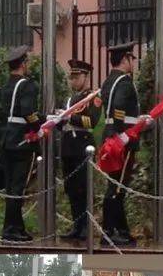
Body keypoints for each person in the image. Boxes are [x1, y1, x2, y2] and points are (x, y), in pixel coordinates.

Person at [99, 41, 142, 247]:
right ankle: (110, 231)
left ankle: (119, 230)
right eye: (131, 58)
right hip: (122, 141)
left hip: (110, 136)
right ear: (125, 59)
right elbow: (117, 109)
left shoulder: (109, 81)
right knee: (117, 188)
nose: (133, 62)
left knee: (115, 185)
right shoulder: (124, 81)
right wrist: (123, 134)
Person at [0, 45, 41, 243]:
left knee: (11, 186)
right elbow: (28, 112)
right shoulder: (27, 85)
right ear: (23, 64)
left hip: (8, 138)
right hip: (23, 140)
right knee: (19, 187)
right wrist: (40, 125)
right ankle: (11, 228)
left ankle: (15, 226)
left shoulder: (8, 85)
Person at [59, 59, 102, 241]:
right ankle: (76, 225)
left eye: (77, 77)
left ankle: (85, 226)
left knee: (83, 188)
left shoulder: (93, 97)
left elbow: (90, 121)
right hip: (68, 145)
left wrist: (70, 117)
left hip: (82, 145)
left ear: (85, 77)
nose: (74, 81)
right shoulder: (69, 100)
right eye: (72, 77)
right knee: (71, 188)